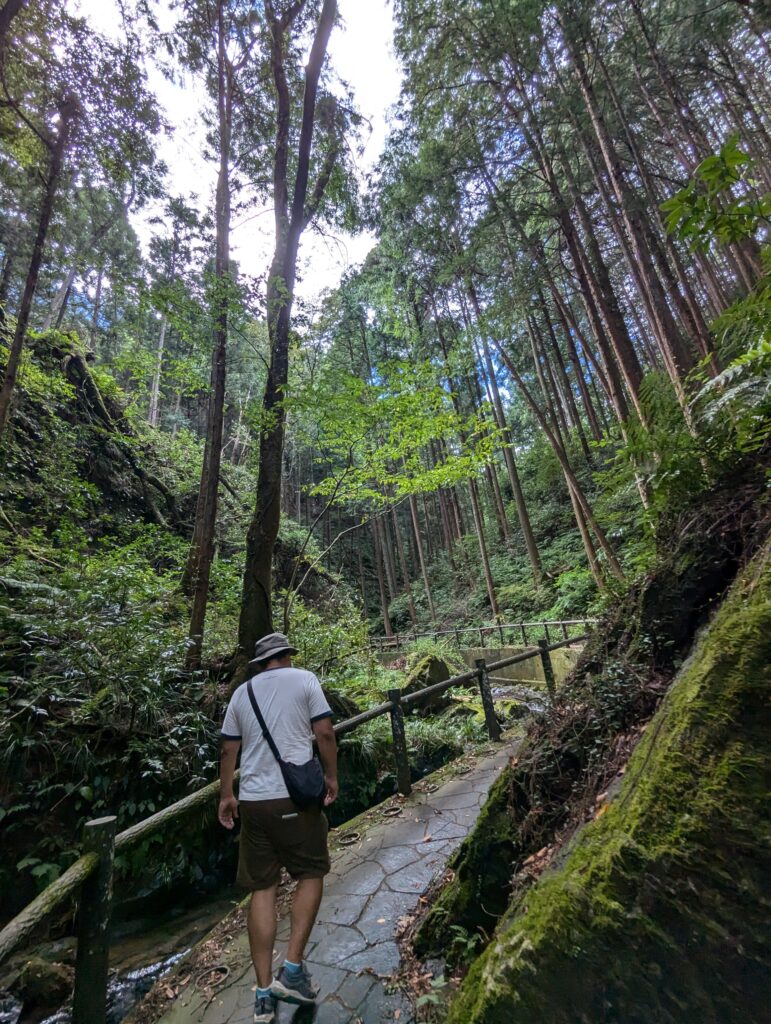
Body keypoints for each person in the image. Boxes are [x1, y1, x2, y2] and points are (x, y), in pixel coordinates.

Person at [218, 632, 338, 1024]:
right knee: (311, 872)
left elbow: (228, 750)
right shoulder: (304, 680)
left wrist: (226, 795)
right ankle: (292, 970)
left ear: (260, 662)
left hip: (253, 802)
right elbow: (323, 733)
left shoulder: (241, 694)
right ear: (287, 656)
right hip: (295, 801)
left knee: (262, 889)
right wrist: (331, 777)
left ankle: (264, 995)